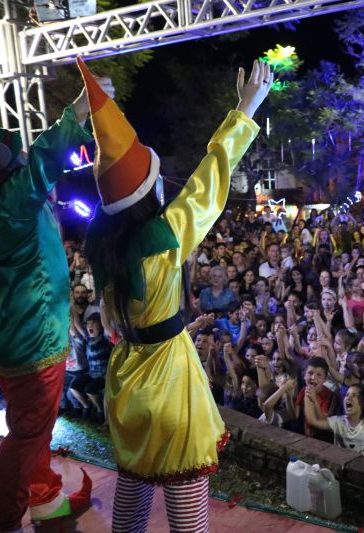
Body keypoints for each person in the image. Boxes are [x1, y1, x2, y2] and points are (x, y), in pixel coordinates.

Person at [80, 58, 272, 532]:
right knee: (187, 498)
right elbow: (211, 179)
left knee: (134, 487)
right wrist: (245, 109)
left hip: (125, 378)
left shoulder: (102, 245)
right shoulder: (163, 239)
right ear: (148, 194)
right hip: (167, 378)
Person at [0, 74, 104, 529]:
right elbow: (45, 158)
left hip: (6, 339)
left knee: (30, 427)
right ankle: (5, 521)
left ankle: (45, 496)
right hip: (34, 340)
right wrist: (81, 108)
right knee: (29, 433)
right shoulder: (6, 202)